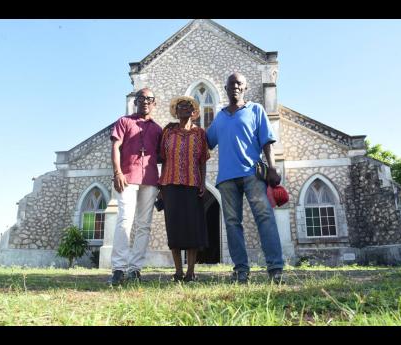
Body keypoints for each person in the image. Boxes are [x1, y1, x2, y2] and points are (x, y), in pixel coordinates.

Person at [206, 72, 284, 284]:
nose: (235, 87)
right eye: (231, 84)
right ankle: (241, 270)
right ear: (225, 88)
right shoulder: (220, 117)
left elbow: (267, 142)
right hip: (226, 180)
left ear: (245, 88)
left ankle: (275, 268)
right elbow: (206, 142)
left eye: (239, 84)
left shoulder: (255, 110)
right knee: (232, 223)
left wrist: (272, 168)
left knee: (265, 218)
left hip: (253, 175)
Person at [109, 88, 162, 285]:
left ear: (154, 103)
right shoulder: (124, 121)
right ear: (136, 102)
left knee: (144, 225)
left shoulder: (157, 129)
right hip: (127, 177)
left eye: (149, 99)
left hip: (150, 180)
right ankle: (119, 268)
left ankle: (135, 269)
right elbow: (115, 146)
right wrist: (117, 173)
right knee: (124, 220)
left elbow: (161, 157)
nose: (145, 102)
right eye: (142, 98)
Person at [158, 96, 210, 282]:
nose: (185, 109)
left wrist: (203, 182)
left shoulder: (200, 133)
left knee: (192, 228)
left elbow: (203, 159)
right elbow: (161, 158)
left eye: (189, 106)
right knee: (174, 227)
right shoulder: (168, 132)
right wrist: (159, 186)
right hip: (170, 184)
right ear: (176, 111)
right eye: (181, 107)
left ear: (194, 112)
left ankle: (191, 272)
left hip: (192, 184)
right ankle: (178, 271)